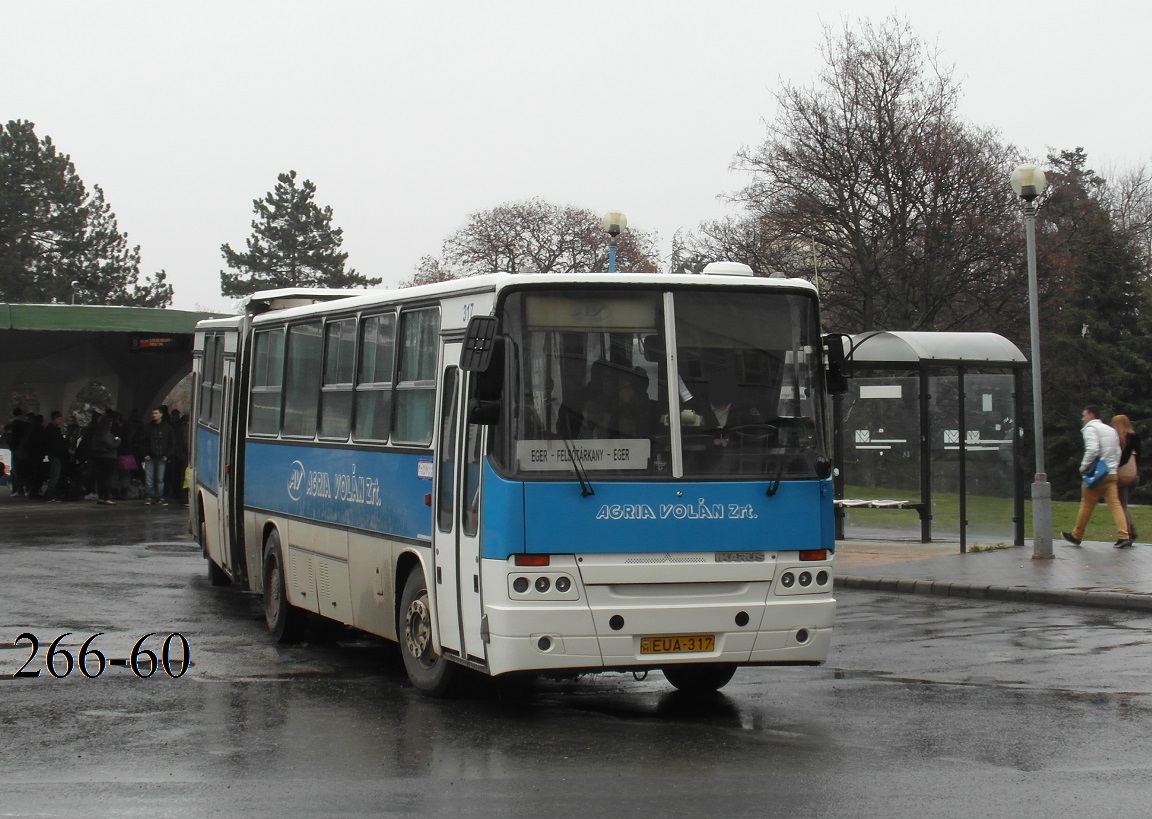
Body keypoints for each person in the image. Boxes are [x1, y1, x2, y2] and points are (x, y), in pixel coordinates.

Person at [1062, 405, 1132, 549]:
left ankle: (1077, 535)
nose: (1082, 418)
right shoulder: (1111, 430)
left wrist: (1083, 466)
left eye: (1084, 415)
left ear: (1091, 415)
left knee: (1087, 505)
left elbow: (1092, 449)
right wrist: (1112, 466)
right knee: (1116, 505)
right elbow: (1118, 452)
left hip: (1097, 474)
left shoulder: (1090, 429)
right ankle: (1124, 536)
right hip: (1111, 473)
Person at [1112, 414, 1141, 542]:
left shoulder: (1120, 440)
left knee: (1121, 505)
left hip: (1122, 477)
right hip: (1134, 476)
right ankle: (1130, 531)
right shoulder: (1135, 437)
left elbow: (1121, 459)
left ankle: (1129, 533)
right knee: (1123, 504)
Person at [140, 407, 174, 505]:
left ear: (161, 414)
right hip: (150, 456)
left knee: (160, 479)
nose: (154, 415)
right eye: (153, 413)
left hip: (162, 457)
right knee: (149, 479)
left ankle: (160, 497)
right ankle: (149, 497)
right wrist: (145, 454)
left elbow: (171, 443)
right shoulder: (147, 428)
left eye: (156, 413)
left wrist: (167, 455)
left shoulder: (167, 428)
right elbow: (141, 442)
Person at [88, 409, 120, 506]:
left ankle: (101, 497)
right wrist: (118, 440)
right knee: (108, 478)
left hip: (99, 457)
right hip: (108, 458)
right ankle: (106, 497)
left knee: (101, 478)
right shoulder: (106, 433)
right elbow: (111, 445)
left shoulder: (96, 433)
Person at [43, 411, 68, 502]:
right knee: (55, 475)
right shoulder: (54, 431)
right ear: (54, 419)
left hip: (52, 454)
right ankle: (50, 495)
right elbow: (56, 444)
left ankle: (49, 494)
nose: (60, 421)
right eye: (58, 419)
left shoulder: (49, 430)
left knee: (54, 474)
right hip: (55, 455)